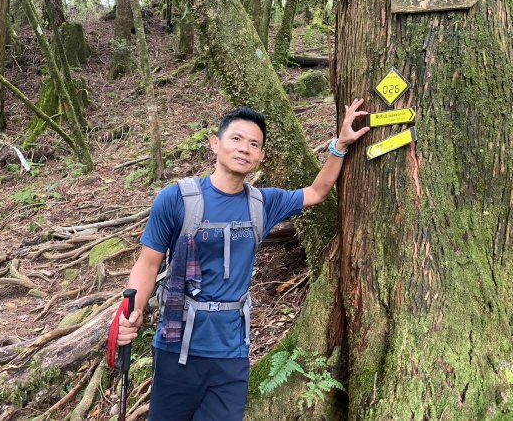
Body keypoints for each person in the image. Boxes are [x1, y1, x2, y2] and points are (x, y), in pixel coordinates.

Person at [116, 99, 369, 420]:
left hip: (231, 354)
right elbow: (148, 263)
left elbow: (317, 192)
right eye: (236, 139)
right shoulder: (176, 198)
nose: (244, 148)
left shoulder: (263, 203)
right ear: (215, 144)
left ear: (261, 156)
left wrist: (341, 144)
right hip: (176, 349)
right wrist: (133, 311)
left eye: (254, 144)